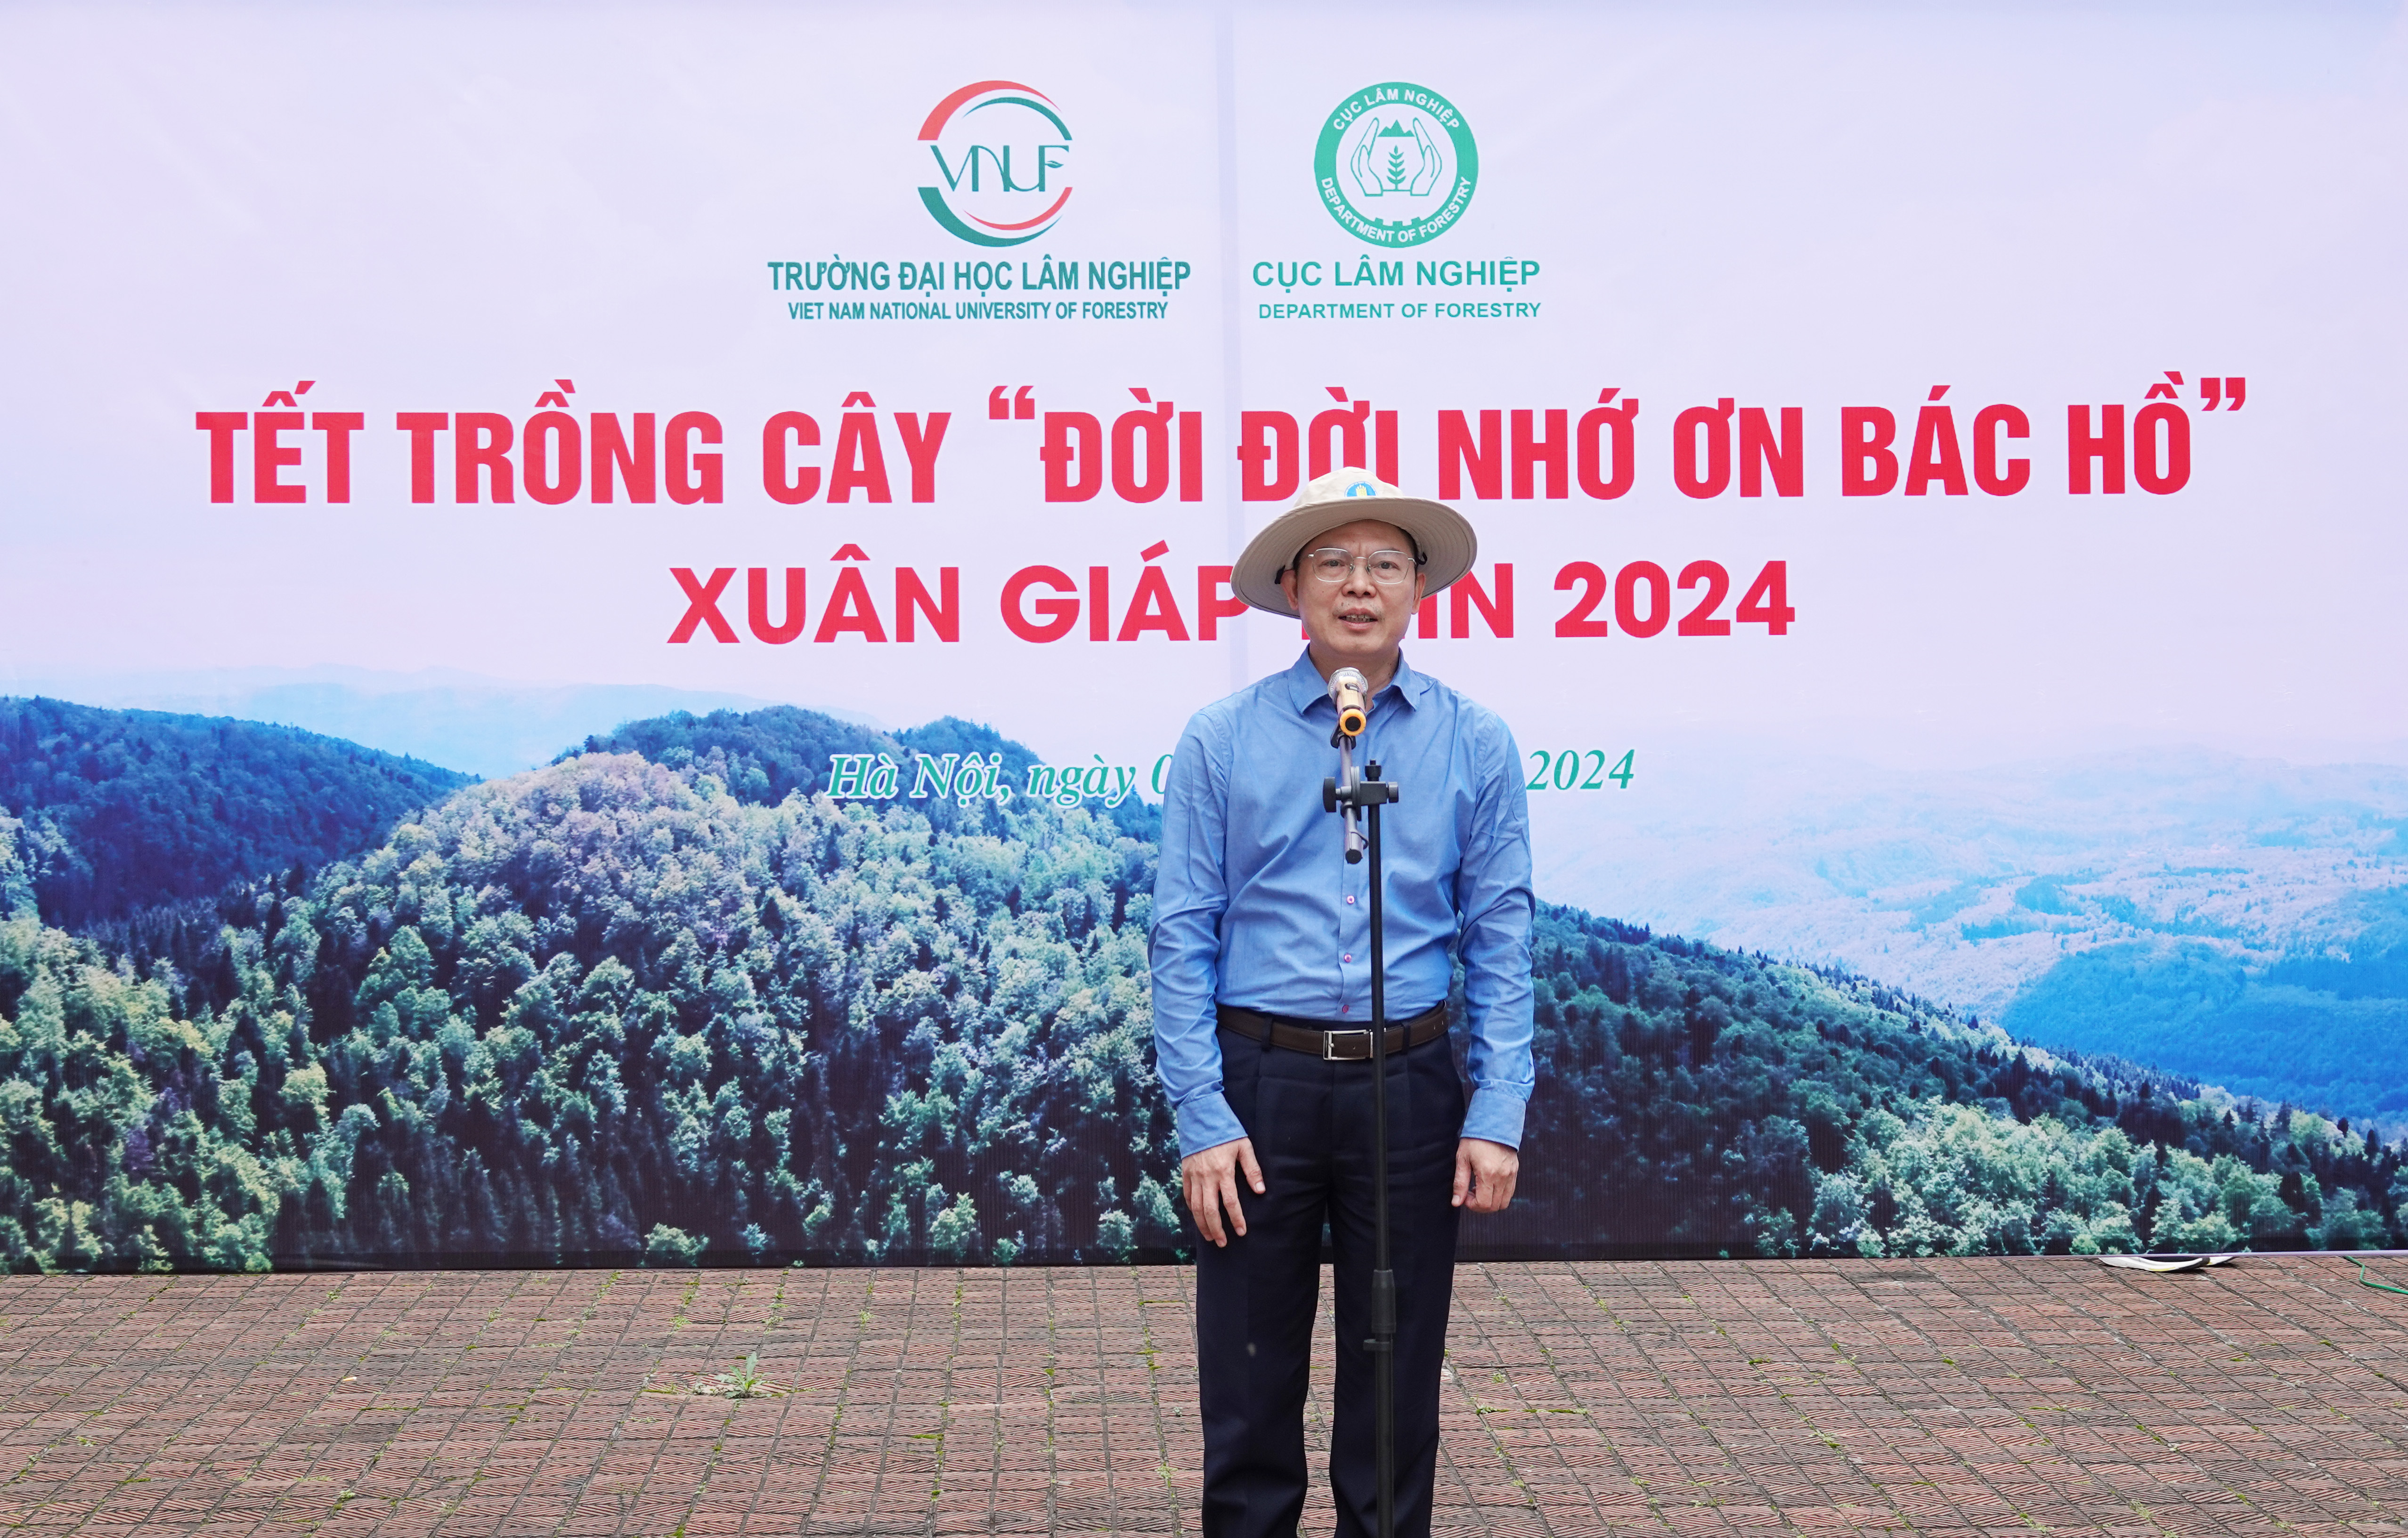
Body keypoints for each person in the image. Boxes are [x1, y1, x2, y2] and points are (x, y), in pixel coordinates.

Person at [1151, 468, 1535, 1538]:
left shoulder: (1475, 740)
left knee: (1394, 1394)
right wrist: (1202, 1116)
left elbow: (1502, 936)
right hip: (1259, 1087)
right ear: (1291, 586)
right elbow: (1181, 933)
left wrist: (1497, 1108)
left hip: (1407, 1085)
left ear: (1419, 587)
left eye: (1384, 564)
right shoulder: (1222, 737)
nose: (1359, 585)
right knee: (1249, 1385)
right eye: (1333, 562)